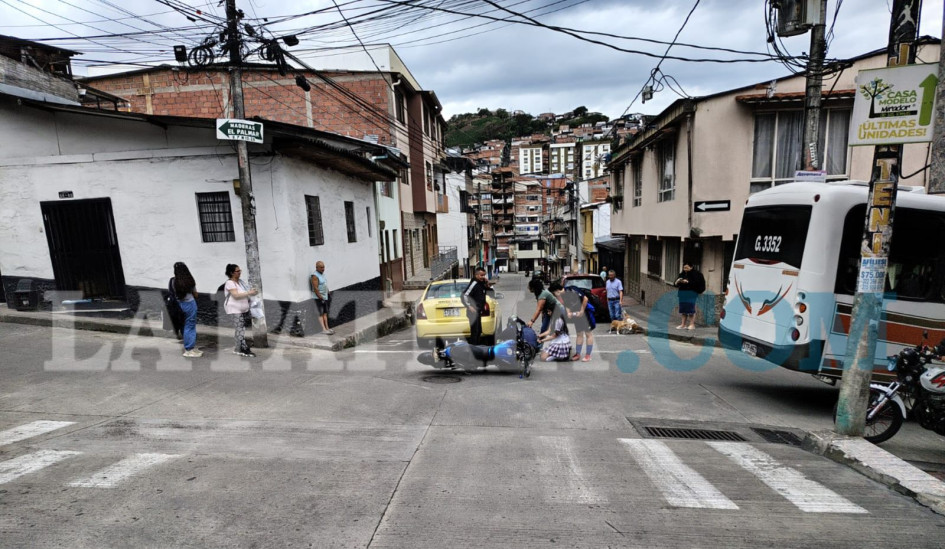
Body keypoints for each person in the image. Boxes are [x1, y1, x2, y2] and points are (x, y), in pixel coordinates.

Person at [224, 264, 257, 357]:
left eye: (240, 270)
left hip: (243, 309)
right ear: (231, 273)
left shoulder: (240, 282)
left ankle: (239, 347)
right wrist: (249, 292)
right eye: (237, 271)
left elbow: (245, 293)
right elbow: (236, 295)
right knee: (239, 329)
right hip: (235, 309)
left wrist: (252, 292)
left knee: (241, 329)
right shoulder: (230, 283)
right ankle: (241, 348)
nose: (239, 272)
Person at [171, 262, 201, 358]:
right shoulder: (189, 281)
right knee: (190, 326)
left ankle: (189, 347)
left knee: (184, 325)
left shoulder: (173, 281)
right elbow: (196, 294)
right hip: (190, 304)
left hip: (179, 305)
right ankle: (189, 349)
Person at [538, 282, 571, 362]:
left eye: (549, 311)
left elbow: (553, 335)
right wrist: (539, 336)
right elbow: (549, 331)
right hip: (559, 341)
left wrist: (542, 340)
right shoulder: (554, 317)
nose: (548, 313)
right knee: (542, 355)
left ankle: (559, 356)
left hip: (561, 343)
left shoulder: (558, 320)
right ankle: (560, 355)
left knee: (543, 358)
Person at [562, 286, 595, 362]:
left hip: (586, 314)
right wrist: (568, 312)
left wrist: (582, 311)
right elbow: (567, 305)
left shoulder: (572, 290)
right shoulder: (563, 295)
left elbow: (585, 299)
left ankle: (588, 355)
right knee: (579, 334)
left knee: (588, 334)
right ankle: (578, 354)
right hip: (577, 315)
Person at [462, 267, 489, 345]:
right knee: (475, 331)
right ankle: (473, 348)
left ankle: (477, 347)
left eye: (484, 275)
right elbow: (464, 295)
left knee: (479, 331)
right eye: (481, 275)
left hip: (478, 311)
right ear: (476, 275)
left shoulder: (481, 283)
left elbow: (486, 289)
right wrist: (469, 306)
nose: (483, 277)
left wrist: (486, 283)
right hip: (473, 312)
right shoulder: (474, 283)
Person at [674, 262, 706, 330]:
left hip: (691, 293)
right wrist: (677, 282)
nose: (685, 269)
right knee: (683, 309)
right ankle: (683, 324)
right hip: (682, 293)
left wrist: (688, 282)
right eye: (684, 267)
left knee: (690, 309)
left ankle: (692, 324)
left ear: (691, 267)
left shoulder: (697, 274)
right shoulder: (682, 274)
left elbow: (698, 284)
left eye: (687, 268)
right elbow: (676, 283)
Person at [311, 261, 333, 335]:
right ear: (317, 267)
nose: (323, 269)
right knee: (320, 313)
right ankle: (323, 329)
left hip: (325, 296)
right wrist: (320, 297)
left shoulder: (322, 274)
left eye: (323, 267)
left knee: (325, 313)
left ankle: (327, 328)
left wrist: (328, 292)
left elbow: (324, 284)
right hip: (319, 298)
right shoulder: (315, 276)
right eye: (321, 267)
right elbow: (315, 288)